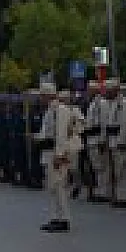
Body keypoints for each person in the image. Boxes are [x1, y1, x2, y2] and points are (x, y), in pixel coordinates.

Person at [37, 85, 84, 233]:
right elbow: (48, 132)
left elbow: (61, 135)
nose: (41, 99)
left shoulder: (61, 110)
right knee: (53, 187)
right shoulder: (51, 111)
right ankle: (57, 217)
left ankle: (64, 219)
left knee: (59, 186)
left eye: (43, 95)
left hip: (56, 153)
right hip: (49, 151)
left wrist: (59, 155)